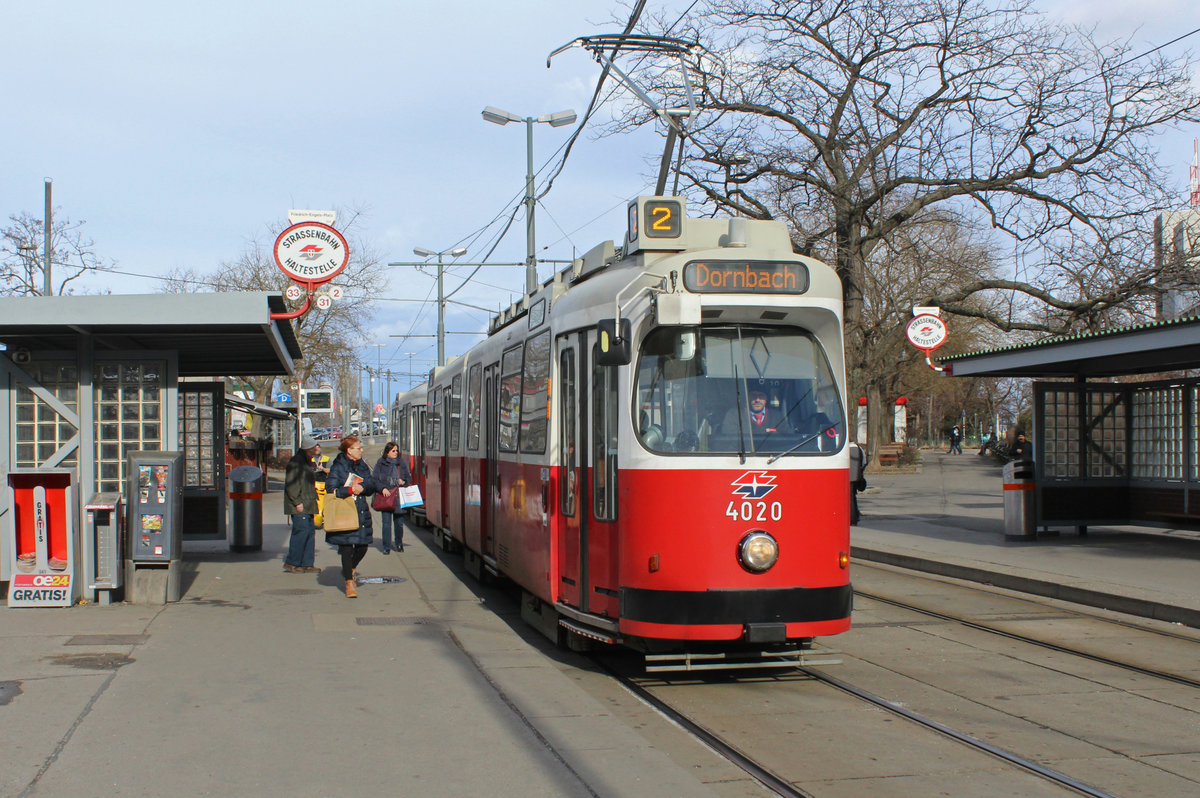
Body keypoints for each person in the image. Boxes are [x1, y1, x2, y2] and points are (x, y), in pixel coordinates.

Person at [325, 436, 379, 598]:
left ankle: (349, 568)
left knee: (362, 546)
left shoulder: (362, 465)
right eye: (359, 448)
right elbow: (331, 489)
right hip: (345, 511)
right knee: (347, 548)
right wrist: (349, 490)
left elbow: (371, 483)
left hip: (361, 510)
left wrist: (363, 487)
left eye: (361, 448)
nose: (361, 450)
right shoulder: (338, 466)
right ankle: (349, 583)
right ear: (349, 451)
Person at [283, 436, 324, 574]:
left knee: (309, 532)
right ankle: (292, 562)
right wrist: (297, 502)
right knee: (301, 532)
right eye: (314, 447)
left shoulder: (307, 460)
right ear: (308, 449)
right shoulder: (296, 462)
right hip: (300, 503)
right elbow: (292, 484)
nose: (317, 449)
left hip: (308, 502)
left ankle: (307, 563)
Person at [371, 441, 412, 554]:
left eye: (397, 450)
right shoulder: (381, 462)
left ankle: (399, 543)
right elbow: (374, 479)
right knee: (386, 524)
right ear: (387, 452)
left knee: (399, 523)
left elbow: (408, 478)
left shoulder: (401, 463)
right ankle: (386, 546)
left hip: (399, 497)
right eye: (393, 450)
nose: (395, 452)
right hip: (386, 497)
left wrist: (403, 482)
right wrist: (382, 488)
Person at [722, 389, 788, 435]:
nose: (757, 400)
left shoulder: (777, 416)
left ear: (766, 399)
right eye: (754, 396)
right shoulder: (734, 415)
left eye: (761, 396)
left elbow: (788, 437)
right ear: (747, 398)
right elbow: (729, 440)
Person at [848, 441, 867, 525]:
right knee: (853, 497)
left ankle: (851, 518)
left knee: (849, 498)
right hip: (856, 477)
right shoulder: (859, 449)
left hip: (847, 476)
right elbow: (864, 462)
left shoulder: (844, 449)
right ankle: (855, 517)